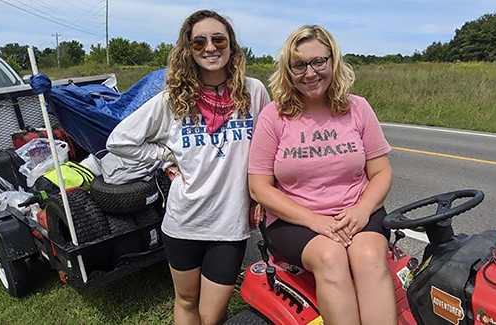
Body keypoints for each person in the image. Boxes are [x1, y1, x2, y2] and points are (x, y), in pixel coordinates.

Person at [106, 10, 270, 325]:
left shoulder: (253, 91)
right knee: (186, 301)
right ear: (189, 50)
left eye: (218, 39)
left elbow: (265, 150)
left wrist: (261, 195)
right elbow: (120, 141)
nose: (210, 47)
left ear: (231, 46)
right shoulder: (173, 99)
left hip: (229, 225)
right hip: (184, 223)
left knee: (211, 315)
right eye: (200, 42)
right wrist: (165, 158)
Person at [248, 25, 397, 325]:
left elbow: (381, 172)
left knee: (368, 258)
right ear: (288, 70)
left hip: (357, 211)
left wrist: (362, 210)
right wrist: (315, 221)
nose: (311, 72)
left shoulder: (358, 109)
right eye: (299, 64)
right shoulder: (274, 116)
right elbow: (259, 188)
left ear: (333, 61)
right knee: (331, 258)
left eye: (319, 61)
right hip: (296, 220)